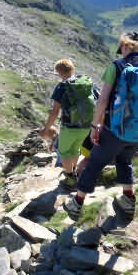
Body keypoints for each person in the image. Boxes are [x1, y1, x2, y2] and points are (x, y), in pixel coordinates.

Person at [63, 32, 138, 219]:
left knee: (94, 163)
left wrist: (95, 127)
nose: (121, 51)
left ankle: (76, 203)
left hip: (114, 131)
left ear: (125, 47)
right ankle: (128, 201)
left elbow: (102, 101)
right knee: (124, 160)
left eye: (121, 47)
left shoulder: (116, 67)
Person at [39, 59, 97, 191]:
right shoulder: (86, 82)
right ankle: (73, 172)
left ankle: (70, 178)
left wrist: (45, 129)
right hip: (86, 126)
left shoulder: (62, 86)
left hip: (69, 126)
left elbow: (54, 112)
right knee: (75, 149)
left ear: (60, 72)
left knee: (64, 151)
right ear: (72, 69)